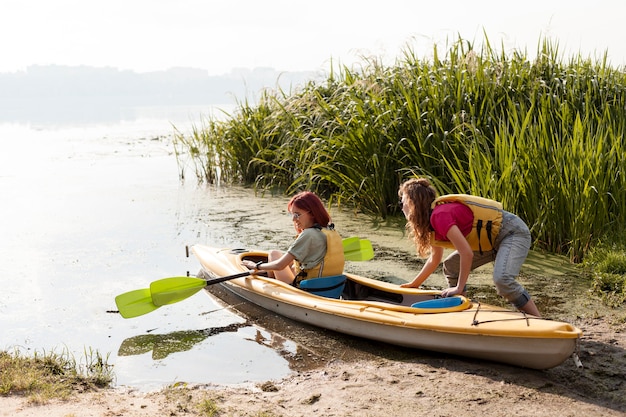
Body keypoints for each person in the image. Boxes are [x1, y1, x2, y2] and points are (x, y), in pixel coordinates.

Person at [398, 177, 541, 317]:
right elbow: (435, 259)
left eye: (403, 201)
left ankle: (539, 320)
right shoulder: (431, 221)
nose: (401, 205)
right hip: (491, 241)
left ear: (412, 203)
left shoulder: (439, 216)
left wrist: (459, 287)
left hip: (511, 232)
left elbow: (466, 253)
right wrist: (414, 284)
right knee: (451, 266)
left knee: (503, 280)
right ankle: (461, 309)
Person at [242, 191, 345, 286]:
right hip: (331, 288)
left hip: (307, 290)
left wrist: (256, 266)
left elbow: (279, 265)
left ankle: (271, 289)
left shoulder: (309, 234)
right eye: (292, 214)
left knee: (274, 256)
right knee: (277, 255)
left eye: (297, 215)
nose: (293, 219)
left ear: (312, 214)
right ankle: (271, 280)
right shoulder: (329, 230)